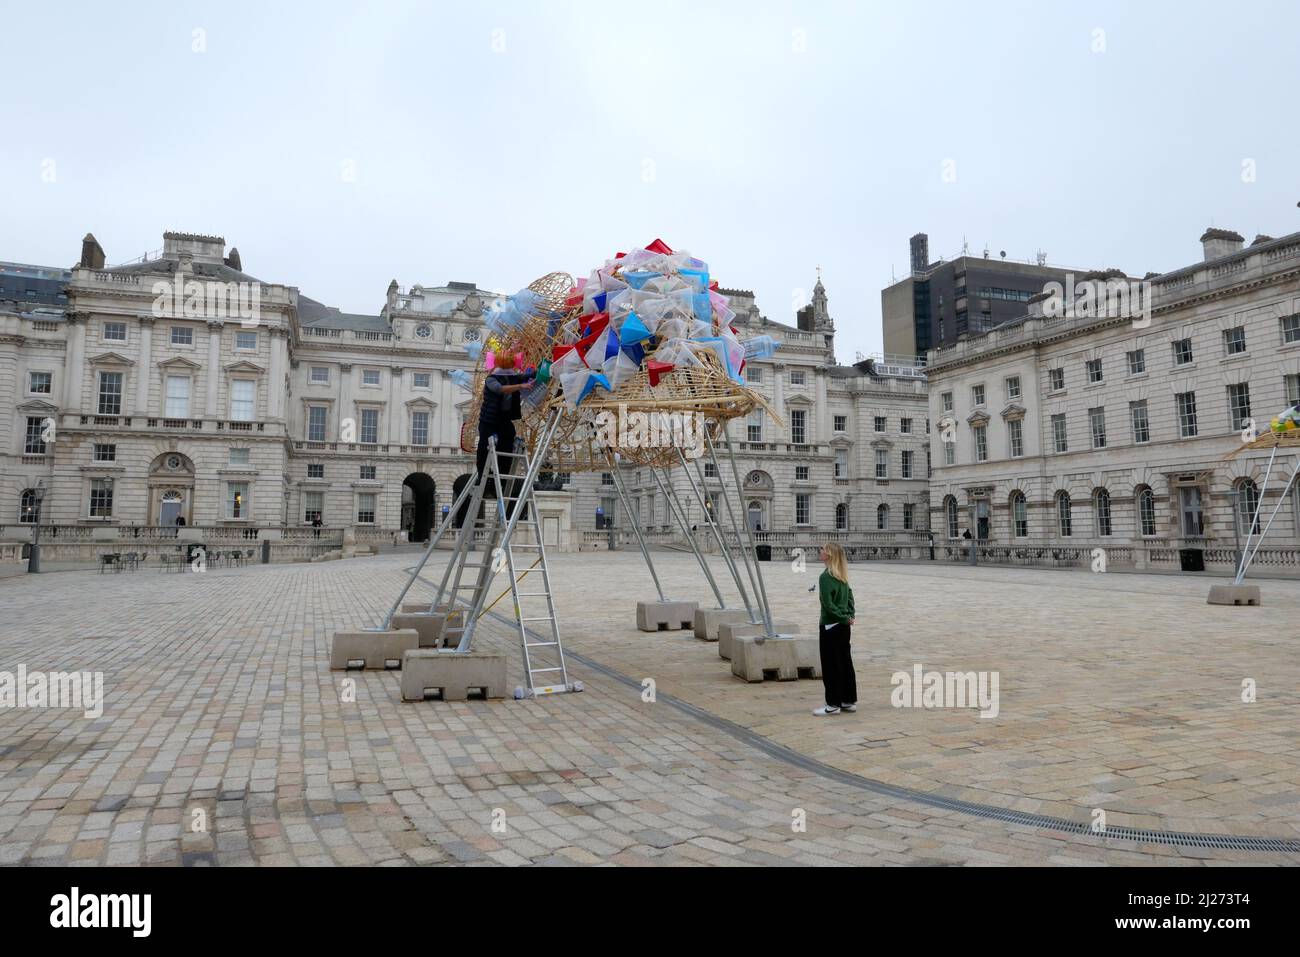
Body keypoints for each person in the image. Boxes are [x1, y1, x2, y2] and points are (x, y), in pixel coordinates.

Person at [475, 351, 535, 495]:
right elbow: (499, 389)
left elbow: (528, 376)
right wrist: (521, 386)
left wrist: (545, 367)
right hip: (489, 420)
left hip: (504, 419)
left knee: (507, 443)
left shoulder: (512, 377)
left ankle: (500, 481)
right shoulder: (491, 379)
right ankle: (481, 476)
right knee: (483, 448)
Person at [813, 542, 856, 716]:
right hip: (844, 626)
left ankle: (832, 704)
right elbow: (850, 598)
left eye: (823, 549)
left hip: (830, 625)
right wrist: (849, 616)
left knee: (831, 665)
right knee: (845, 663)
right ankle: (848, 700)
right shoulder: (842, 575)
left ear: (829, 555)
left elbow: (828, 605)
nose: (820, 551)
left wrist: (842, 617)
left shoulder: (825, 577)